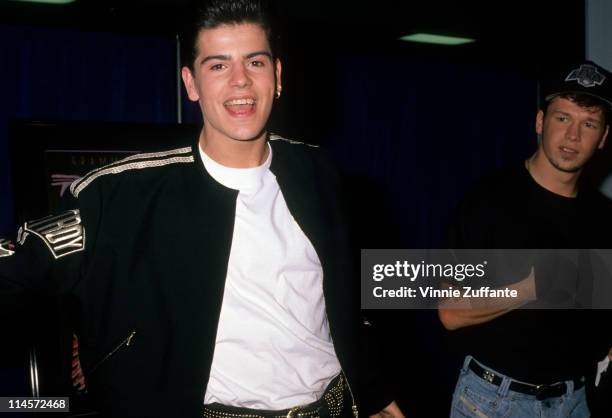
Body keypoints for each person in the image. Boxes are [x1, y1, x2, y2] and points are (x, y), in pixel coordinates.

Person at [0, 1, 402, 417]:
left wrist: (374, 393)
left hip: (335, 406)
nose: (241, 81)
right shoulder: (119, 194)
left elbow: (341, 301)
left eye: (255, 62)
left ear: (277, 77)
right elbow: (17, 270)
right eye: (218, 66)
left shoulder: (318, 172)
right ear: (191, 84)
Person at [439, 60, 612, 417]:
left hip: (575, 400)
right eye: (563, 118)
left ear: (603, 138)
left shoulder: (604, 216)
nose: (573, 136)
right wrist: (531, 287)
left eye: (589, 124)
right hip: (494, 401)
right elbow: (450, 311)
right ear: (540, 122)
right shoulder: (489, 200)